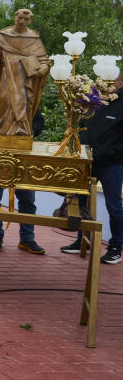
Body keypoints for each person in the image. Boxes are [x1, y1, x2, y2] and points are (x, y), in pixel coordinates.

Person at [59, 74, 123, 265]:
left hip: (111, 164)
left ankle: (115, 247)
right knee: (80, 201)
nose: (109, 84)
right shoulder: (94, 101)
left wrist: (109, 152)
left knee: (114, 206)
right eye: (106, 80)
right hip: (87, 161)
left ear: (121, 83)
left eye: (113, 81)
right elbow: (82, 125)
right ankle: (81, 240)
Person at [0, 92, 45, 254]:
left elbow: (39, 123)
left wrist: (24, 133)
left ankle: (27, 238)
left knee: (27, 199)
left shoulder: (26, 103)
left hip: (23, 158)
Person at [0, 9, 50, 140]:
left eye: (26, 19)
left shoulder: (33, 38)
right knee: (4, 99)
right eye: (20, 18)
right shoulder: (4, 35)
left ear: (30, 21)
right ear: (15, 17)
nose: (22, 21)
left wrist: (43, 68)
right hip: (7, 74)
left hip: (25, 77)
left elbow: (43, 59)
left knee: (22, 102)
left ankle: (22, 129)